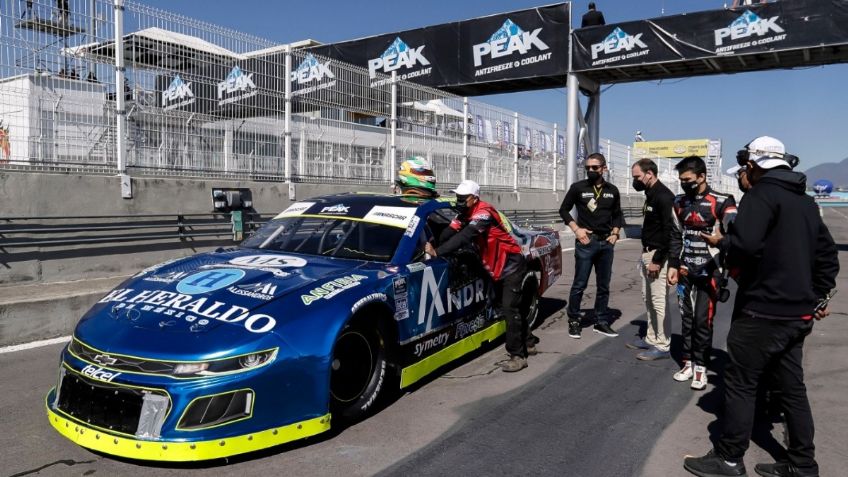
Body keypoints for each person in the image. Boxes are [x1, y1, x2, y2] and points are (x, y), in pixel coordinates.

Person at [683, 136, 838, 477]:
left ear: (753, 165)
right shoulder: (806, 203)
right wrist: (817, 297)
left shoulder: (760, 196)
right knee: (792, 390)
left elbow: (745, 247)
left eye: (743, 170)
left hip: (761, 312)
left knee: (740, 383)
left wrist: (725, 243)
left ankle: (728, 458)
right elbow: (827, 256)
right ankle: (802, 465)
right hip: (797, 315)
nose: (741, 176)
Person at [425, 180, 531, 372]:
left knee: (508, 308)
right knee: (506, 306)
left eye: (462, 198)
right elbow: (449, 234)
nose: (458, 201)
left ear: (474, 199)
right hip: (494, 267)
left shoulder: (484, 213)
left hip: (512, 265)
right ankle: (529, 341)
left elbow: (465, 236)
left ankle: (518, 355)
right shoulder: (464, 214)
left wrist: (438, 252)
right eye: (457, 197)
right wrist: (436, 240)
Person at [667, 155, 737, 391]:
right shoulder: (678, 202)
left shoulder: (722, 201)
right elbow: (675, 236)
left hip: (711, 271)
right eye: (681, 180)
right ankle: (687, 362)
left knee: (702, 321)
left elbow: (735, 230)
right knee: (686, 319)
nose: (684, 183)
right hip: (685, 270)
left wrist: (725, 236)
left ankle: (701, 367)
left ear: (701, 176)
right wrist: (673, 266)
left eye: (687, 179)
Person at [559, 152, 624, 339]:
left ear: (604, 168)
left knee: (604, 285)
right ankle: (574, 320)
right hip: (586, 242)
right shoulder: (578, 187)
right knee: (580, 284)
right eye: (587, 168)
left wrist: (615, 233)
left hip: (606, 243)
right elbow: (563, 209)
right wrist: (576, 229)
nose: (590, 171)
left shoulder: (613, 190)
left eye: (594, 167)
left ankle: (601, 321)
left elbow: (618, 214)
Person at [628, 159, 674, 360]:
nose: (635, 181)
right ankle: (651, 338)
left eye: (637, 176)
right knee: (648, 299)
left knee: (658, 301)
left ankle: (663, 345)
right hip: (647, 253)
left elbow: (669, 231)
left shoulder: (664, 196)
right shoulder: (650, 194)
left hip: (657, 256)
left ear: (649, 173)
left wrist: (657, 258)